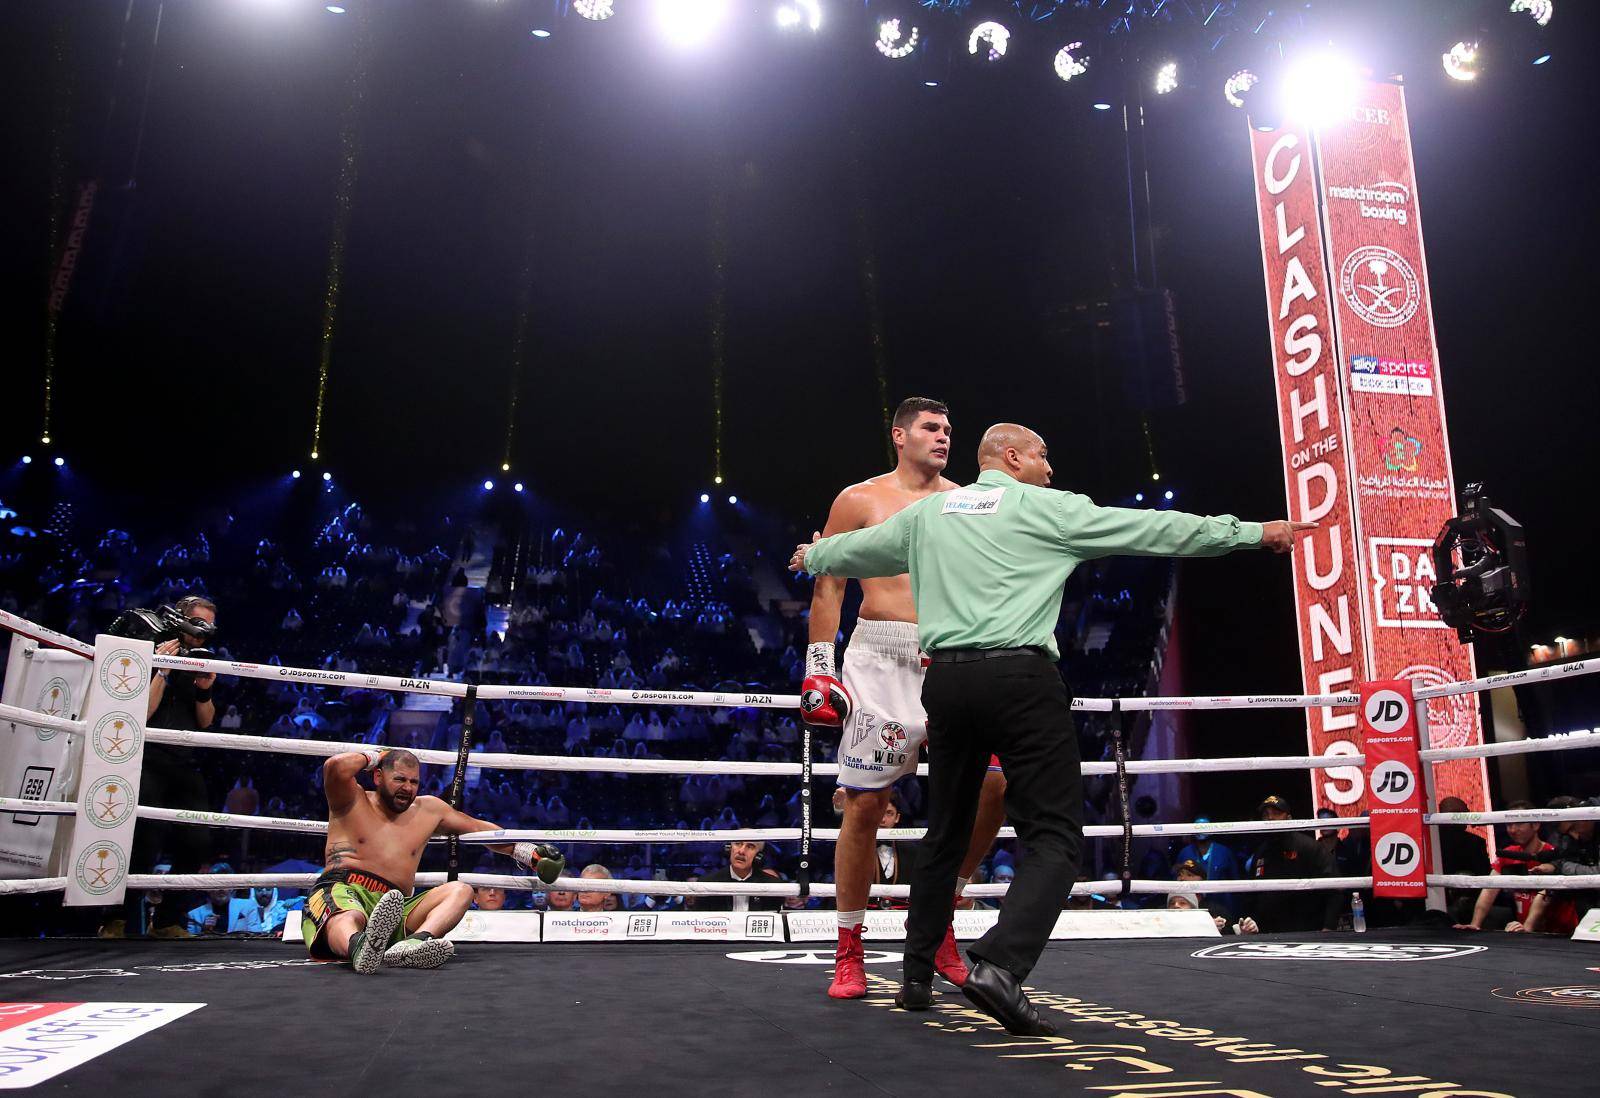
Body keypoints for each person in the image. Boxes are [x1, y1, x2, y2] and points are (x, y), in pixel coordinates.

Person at [793, 422, 1306, 1036]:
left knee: (946, 831)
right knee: (1058, 834)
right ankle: (999, 965)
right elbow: (1157, 531)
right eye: (1042, 456)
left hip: (947, 682)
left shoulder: (933, 513)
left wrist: (814, 555)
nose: (1050, 468)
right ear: (1013, 458)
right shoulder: (1047, 509)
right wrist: (1253, 533)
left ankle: (915, 976)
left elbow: (854, 553)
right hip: (1016, 679)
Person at [803, 396, 1008, 999]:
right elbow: (830, 583)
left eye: (949, 428)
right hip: (878, 658)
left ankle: (940, 912)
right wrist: (819, 671)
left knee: (994, 786)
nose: (944, 436)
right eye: (931, 427)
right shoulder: (859, 499)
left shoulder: (966, 499)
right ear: (899, 434)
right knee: (866, 806)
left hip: (950, 654)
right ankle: (849, 950)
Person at [303, 748, 565, 973]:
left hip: (397, 906)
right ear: (378, 776)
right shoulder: (351, 800)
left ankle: (413, 945)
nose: (407, 788)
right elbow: (335, 766)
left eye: (414, 782)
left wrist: (528, 852)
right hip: (344, 887)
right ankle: (359, 948)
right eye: (399, 779)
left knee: (460, 890)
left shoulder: (429, 810)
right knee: (349, 915)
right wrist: (378, 755)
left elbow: (478, 829)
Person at [107, 595, 221, 939]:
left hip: (185, 760)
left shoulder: (203, 660)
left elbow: (205, 722)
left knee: (198, 842)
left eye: (210, 625)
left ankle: (169, 919)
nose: (204, 631)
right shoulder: (148, 651)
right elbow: (142, 713)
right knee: (143, 841)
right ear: (181, 620)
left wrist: (204, 691)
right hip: (148, 758)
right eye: (199, 622)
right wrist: (163, 670)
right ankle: (117, 918)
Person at [1249, 795, 1340, 932]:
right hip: (1269, 934)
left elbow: (1335, 889)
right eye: (1266, 814)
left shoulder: (1309, 847)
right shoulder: (1261, 852)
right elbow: (1253, 895)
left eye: (1276, 813)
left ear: (1289, 818)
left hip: (1307, 930)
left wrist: (1328, 927)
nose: (1270, 818)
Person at [1457, 801, 1551, 932]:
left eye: (1518, 824)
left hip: (1559, 933)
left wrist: (1528, 928)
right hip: (1526, 932)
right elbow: (1489, 889)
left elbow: (1545, 896)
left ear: (1535, 825)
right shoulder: (1509, 853)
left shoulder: (1552, 854)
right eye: (1509, 824)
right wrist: (1475, 924)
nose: (1512, 830)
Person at [697, 840, 787, 912]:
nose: (741, 851)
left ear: (759, 856)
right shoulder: (707, 883)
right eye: (738, 844)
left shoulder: (772, 885)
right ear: (729, 849)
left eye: (750, 846)